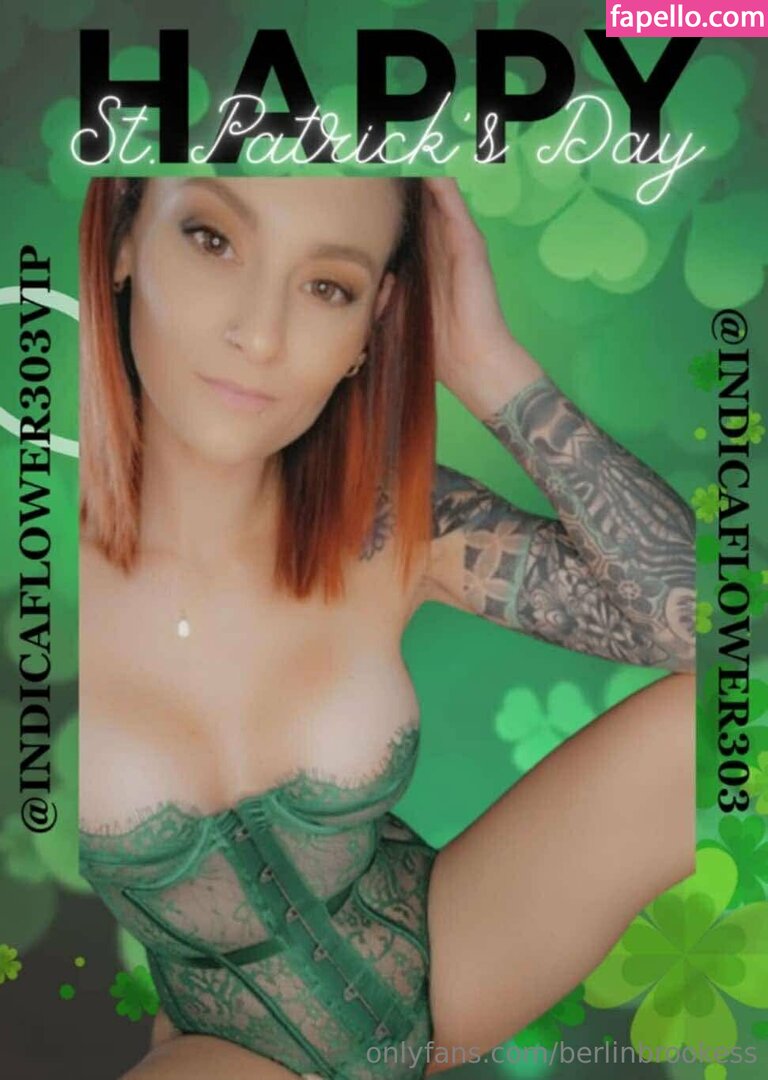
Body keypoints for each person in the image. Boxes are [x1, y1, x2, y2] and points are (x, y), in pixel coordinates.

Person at [78, 175, 696, 1080]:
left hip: (452, 967)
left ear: (375, 321)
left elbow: (706, 629)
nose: (260, 334)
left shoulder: (389, 526)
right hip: (223, 1052)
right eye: (212, 239)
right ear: (125, 237)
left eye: (328, 286)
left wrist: (486, 361)